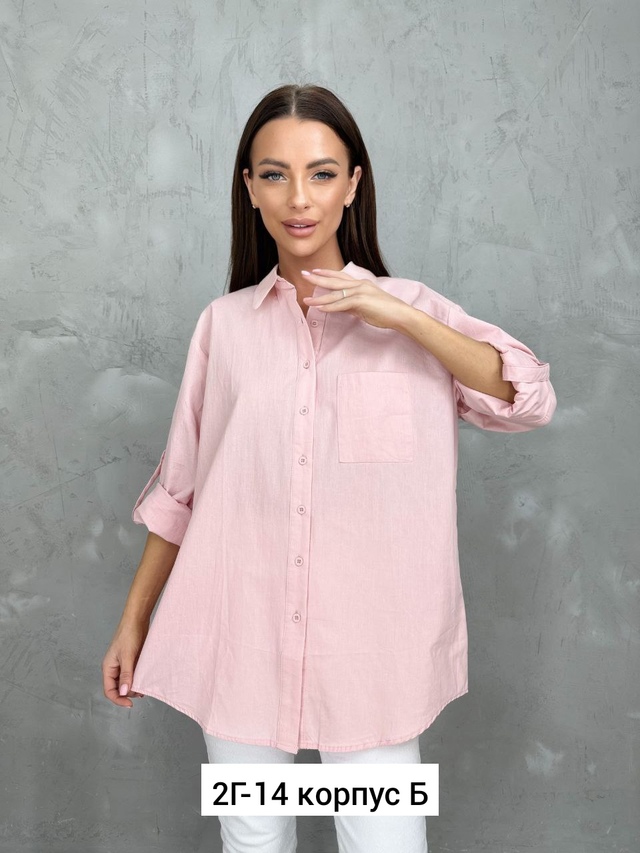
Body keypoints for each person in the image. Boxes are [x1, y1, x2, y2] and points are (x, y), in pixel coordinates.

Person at [102, 83, 557, 853]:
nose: (298, 197)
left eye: (320, 173)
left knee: (386, 843)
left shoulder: (414, 313)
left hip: (374, 653)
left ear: (352, 184)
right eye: (274, 174)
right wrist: (133, 621)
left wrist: (399, 315)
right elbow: (181, 491)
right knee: (253, 840)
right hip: (239, 638)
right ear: (249, 189)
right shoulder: (223, 327)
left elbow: (527, 397)